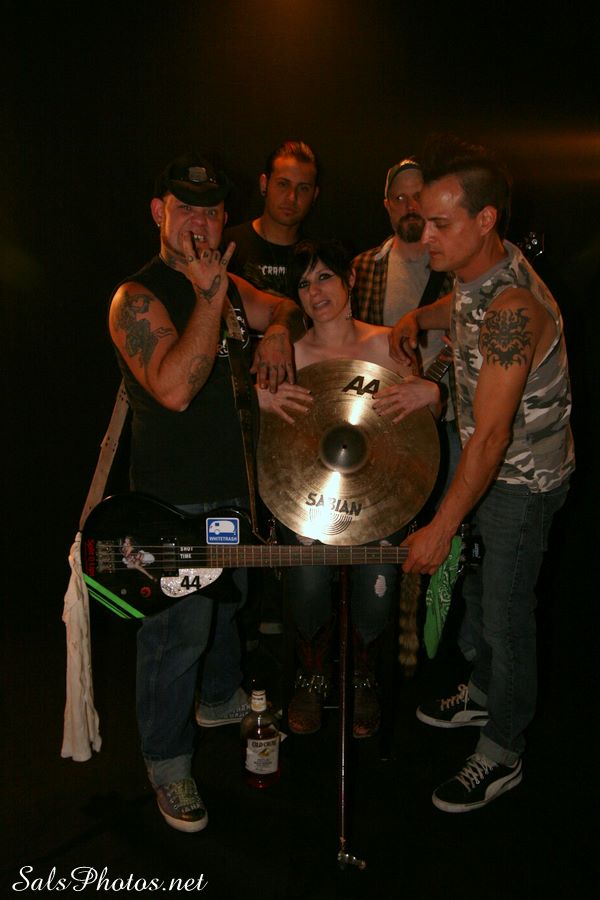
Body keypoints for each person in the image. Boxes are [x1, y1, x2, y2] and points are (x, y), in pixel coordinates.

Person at [108, 153, 305, 833]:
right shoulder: (137, 298)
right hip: (172, 503)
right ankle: (167, 764)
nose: (199, 221)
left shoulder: (227, 281)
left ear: (226, 219)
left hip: (230, 493)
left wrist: (274, 329)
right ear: (158, 213)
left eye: (211, 210)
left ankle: (219, 700)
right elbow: (173, 388)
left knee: (229, 602)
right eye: (185, 207)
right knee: (176, 635)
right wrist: (211, 297)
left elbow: (284, 305)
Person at [389, 134, 575, 812]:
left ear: (486, 219)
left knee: (505, 614)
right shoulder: (475, 271)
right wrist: (418, 316)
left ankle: (502, 751)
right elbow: (457, 309)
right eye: (423, 219)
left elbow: (493, 438)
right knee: (483, 591)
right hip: (489, 469)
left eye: (441, 223)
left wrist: (441, 526)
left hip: (521, 483)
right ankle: (486, 692)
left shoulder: (513, 310)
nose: (425, 234)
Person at [258, 238, 442, 738]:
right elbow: (270, 440)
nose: (315, 292)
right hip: (311, 494)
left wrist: (433, 394)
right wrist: (260, 403)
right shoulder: (290, 356)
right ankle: (313, 673)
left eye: (325, 277)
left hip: (382, 491)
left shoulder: (389, 345)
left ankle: (362, 676)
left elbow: (423, 427)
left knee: (376, 583)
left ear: (351, 280)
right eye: (303, 284)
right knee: (308, 576)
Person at [352, 157, 459, 506]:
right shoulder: (363, 268)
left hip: (448, 419)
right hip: (380, 424)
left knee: (445, 516)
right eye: (400, 198)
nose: (410, 206)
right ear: (387, 205)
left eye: (418, 196)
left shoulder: (458, 266)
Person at [222, 140, 320, 297]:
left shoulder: (319, 258)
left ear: (314, 195)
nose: (292, 197)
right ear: (264, 184)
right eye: (283, 184)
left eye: (303, 188)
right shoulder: (226, 245)